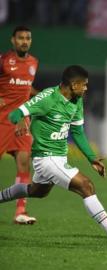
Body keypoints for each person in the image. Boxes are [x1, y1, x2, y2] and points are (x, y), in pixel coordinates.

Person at [0, 65, 107, 248]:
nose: (86, 88)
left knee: (37, 191)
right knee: (86, 186)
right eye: (84, 85)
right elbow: (14, 114)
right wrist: (20, 122)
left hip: (58, 158)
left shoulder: (76, 100)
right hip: (47, 158)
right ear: (73, 84)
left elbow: (78, 132)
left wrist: (91, 158)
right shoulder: (48, 98)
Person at [0, 26, 38, 224]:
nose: (24, 41)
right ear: (12, 40)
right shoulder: (3, 60)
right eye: (21, 38)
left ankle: (20, 212)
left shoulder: (33, 62)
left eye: (28, 38)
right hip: (2, 119)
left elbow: (25, 85)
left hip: (22, 120)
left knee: (24, 162)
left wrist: (39, 96)